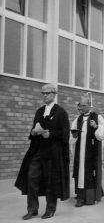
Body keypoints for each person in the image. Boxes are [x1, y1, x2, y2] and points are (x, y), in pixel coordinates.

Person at [15, 84, 70, 220]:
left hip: (52, 153)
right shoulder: (39, 111)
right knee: (31, 177)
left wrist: (50, 135)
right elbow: (34, 130)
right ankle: (32, 209)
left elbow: (65, 134)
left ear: (54, 94)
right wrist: (33, 132)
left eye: (48, 93)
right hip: (38, 151)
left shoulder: (61, 112)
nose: (45, 95)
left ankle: (50, 209)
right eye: (43, 93)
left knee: (51, 181)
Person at [70, 94, 104, 207]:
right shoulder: (78, 119)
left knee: (90, 173)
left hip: (91, 152)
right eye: (79, 105)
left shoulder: (97, 117)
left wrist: (96, 127)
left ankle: (91, 197)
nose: (80, 108)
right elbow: (71, 136)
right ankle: (81, 197)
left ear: (89, 105)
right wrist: (74, 135)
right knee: (80, 173)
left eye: (82, 105)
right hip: (80, 152)